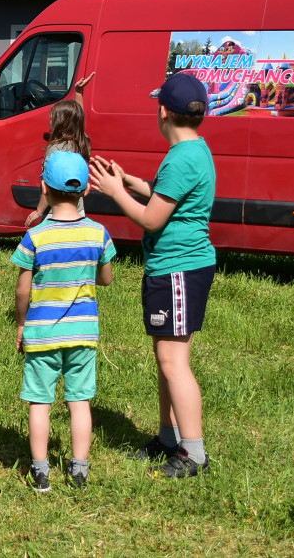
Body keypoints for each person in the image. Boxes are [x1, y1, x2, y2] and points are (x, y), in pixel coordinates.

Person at [89, 73, 216, 479]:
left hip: (179, 268)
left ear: (163, 112)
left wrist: (114, 192)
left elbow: (152, 217)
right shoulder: (193, 151)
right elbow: (165, 196)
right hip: (176, 267)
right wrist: (131, 181)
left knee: (173, 360)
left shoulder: (182, 158)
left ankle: (193, 453)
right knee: (167, 359)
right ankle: (168, 438)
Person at [12, 151, 115, 492]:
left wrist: (21, 324)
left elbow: (22, 291)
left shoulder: (35, 238)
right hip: (83, 334)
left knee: (40, 402)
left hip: (42, 335)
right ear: (86, 191)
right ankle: (79, 469)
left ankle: (40, 472)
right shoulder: (98, 233)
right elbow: (106, 279)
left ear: (44, 188)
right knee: (79, 401)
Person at [25, 73, 95, 228]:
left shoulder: (55, 150)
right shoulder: (80, 143)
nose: (50, 122)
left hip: (55, 210)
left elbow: (49, 183)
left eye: (53, 119)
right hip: (77, 211)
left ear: (61, 124)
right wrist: (78, 93)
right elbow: (78, 118)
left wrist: (38, 211)